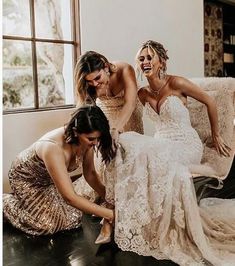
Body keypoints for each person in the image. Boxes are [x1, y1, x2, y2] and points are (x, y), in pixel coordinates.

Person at [101, 40, 235, 265]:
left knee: (148, 156)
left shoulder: (177, 83)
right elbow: (122, 104)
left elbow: (210, 102)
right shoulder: (142, 94)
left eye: (149, 57)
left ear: (161, 61)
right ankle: (126, 215)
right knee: (129, 143)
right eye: (141, 58)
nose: (145, 62)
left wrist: (216, 136)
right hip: (161, 143)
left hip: (186, 144)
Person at [3, 105, 115, 235]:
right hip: (26, 179)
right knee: (45, 226)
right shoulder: (52, 148)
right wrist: (110, 214)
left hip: (48, 180)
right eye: (91, 139)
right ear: (75, 132)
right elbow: (69, 198)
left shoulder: (87, 140)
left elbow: (90, 174)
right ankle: (6, 203)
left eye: (98, 138)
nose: (95, 143)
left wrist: (109, 198)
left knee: (74, 218)